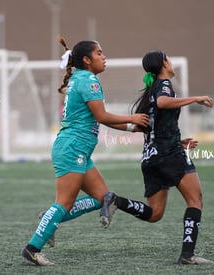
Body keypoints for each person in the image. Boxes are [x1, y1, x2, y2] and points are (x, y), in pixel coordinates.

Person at [21, 36, 149, 266]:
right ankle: (32, 248)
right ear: (87, 60)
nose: (104, 56)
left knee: (103, 198)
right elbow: (102, 116)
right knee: (64, 203)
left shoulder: (81, 78)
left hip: (78, 149)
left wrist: (133, 128)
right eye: (100, 53)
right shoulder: (89, 80)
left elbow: (102, 118)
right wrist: (131, 118)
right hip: (73, 148)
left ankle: (48, 219)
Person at [100, 50, 214, 265]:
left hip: (151, 157)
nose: (171, 63)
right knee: (195, 200)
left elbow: (152, 125)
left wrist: (175, 140)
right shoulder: (163, 85)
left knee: (154, 214)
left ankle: (117, 201)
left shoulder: (151, 90)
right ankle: (187, 255)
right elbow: (163, 103)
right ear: (163, 63)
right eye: (169, 59)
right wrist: (195, 98)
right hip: (169, 155)